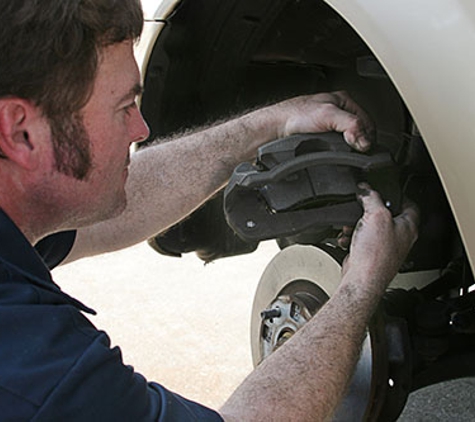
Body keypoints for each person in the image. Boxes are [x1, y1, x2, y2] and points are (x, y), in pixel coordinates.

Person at [0, 1, 418, 421]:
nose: (140, 129)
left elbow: (117, 205)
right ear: (21, 131)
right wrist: (359, 287)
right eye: (124, 107)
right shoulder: (34, 371)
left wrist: (270, 123)